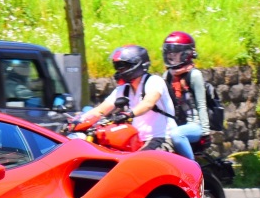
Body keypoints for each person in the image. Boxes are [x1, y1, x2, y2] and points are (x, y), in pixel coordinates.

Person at [69, 45, 176, 152]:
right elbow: (101, 110)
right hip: (138, 140)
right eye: (117, 67)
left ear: (137, 65)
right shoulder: (125, 89)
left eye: (122, 66)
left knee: (139, 163)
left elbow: (148, 103)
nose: (119, 70)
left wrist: (127, 114)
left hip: (162, 138)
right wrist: (78, 120)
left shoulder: (154, 81)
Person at [161, 31, 209, 161]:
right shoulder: (167, 76)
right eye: (169, 52)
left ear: (186, 54)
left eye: (175, 52)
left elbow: (201, 104)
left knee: (176, 134)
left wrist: (205, 132)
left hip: (195, 125)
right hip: (177, 123)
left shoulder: (194, 75)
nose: (171, 55)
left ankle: (192, 167)